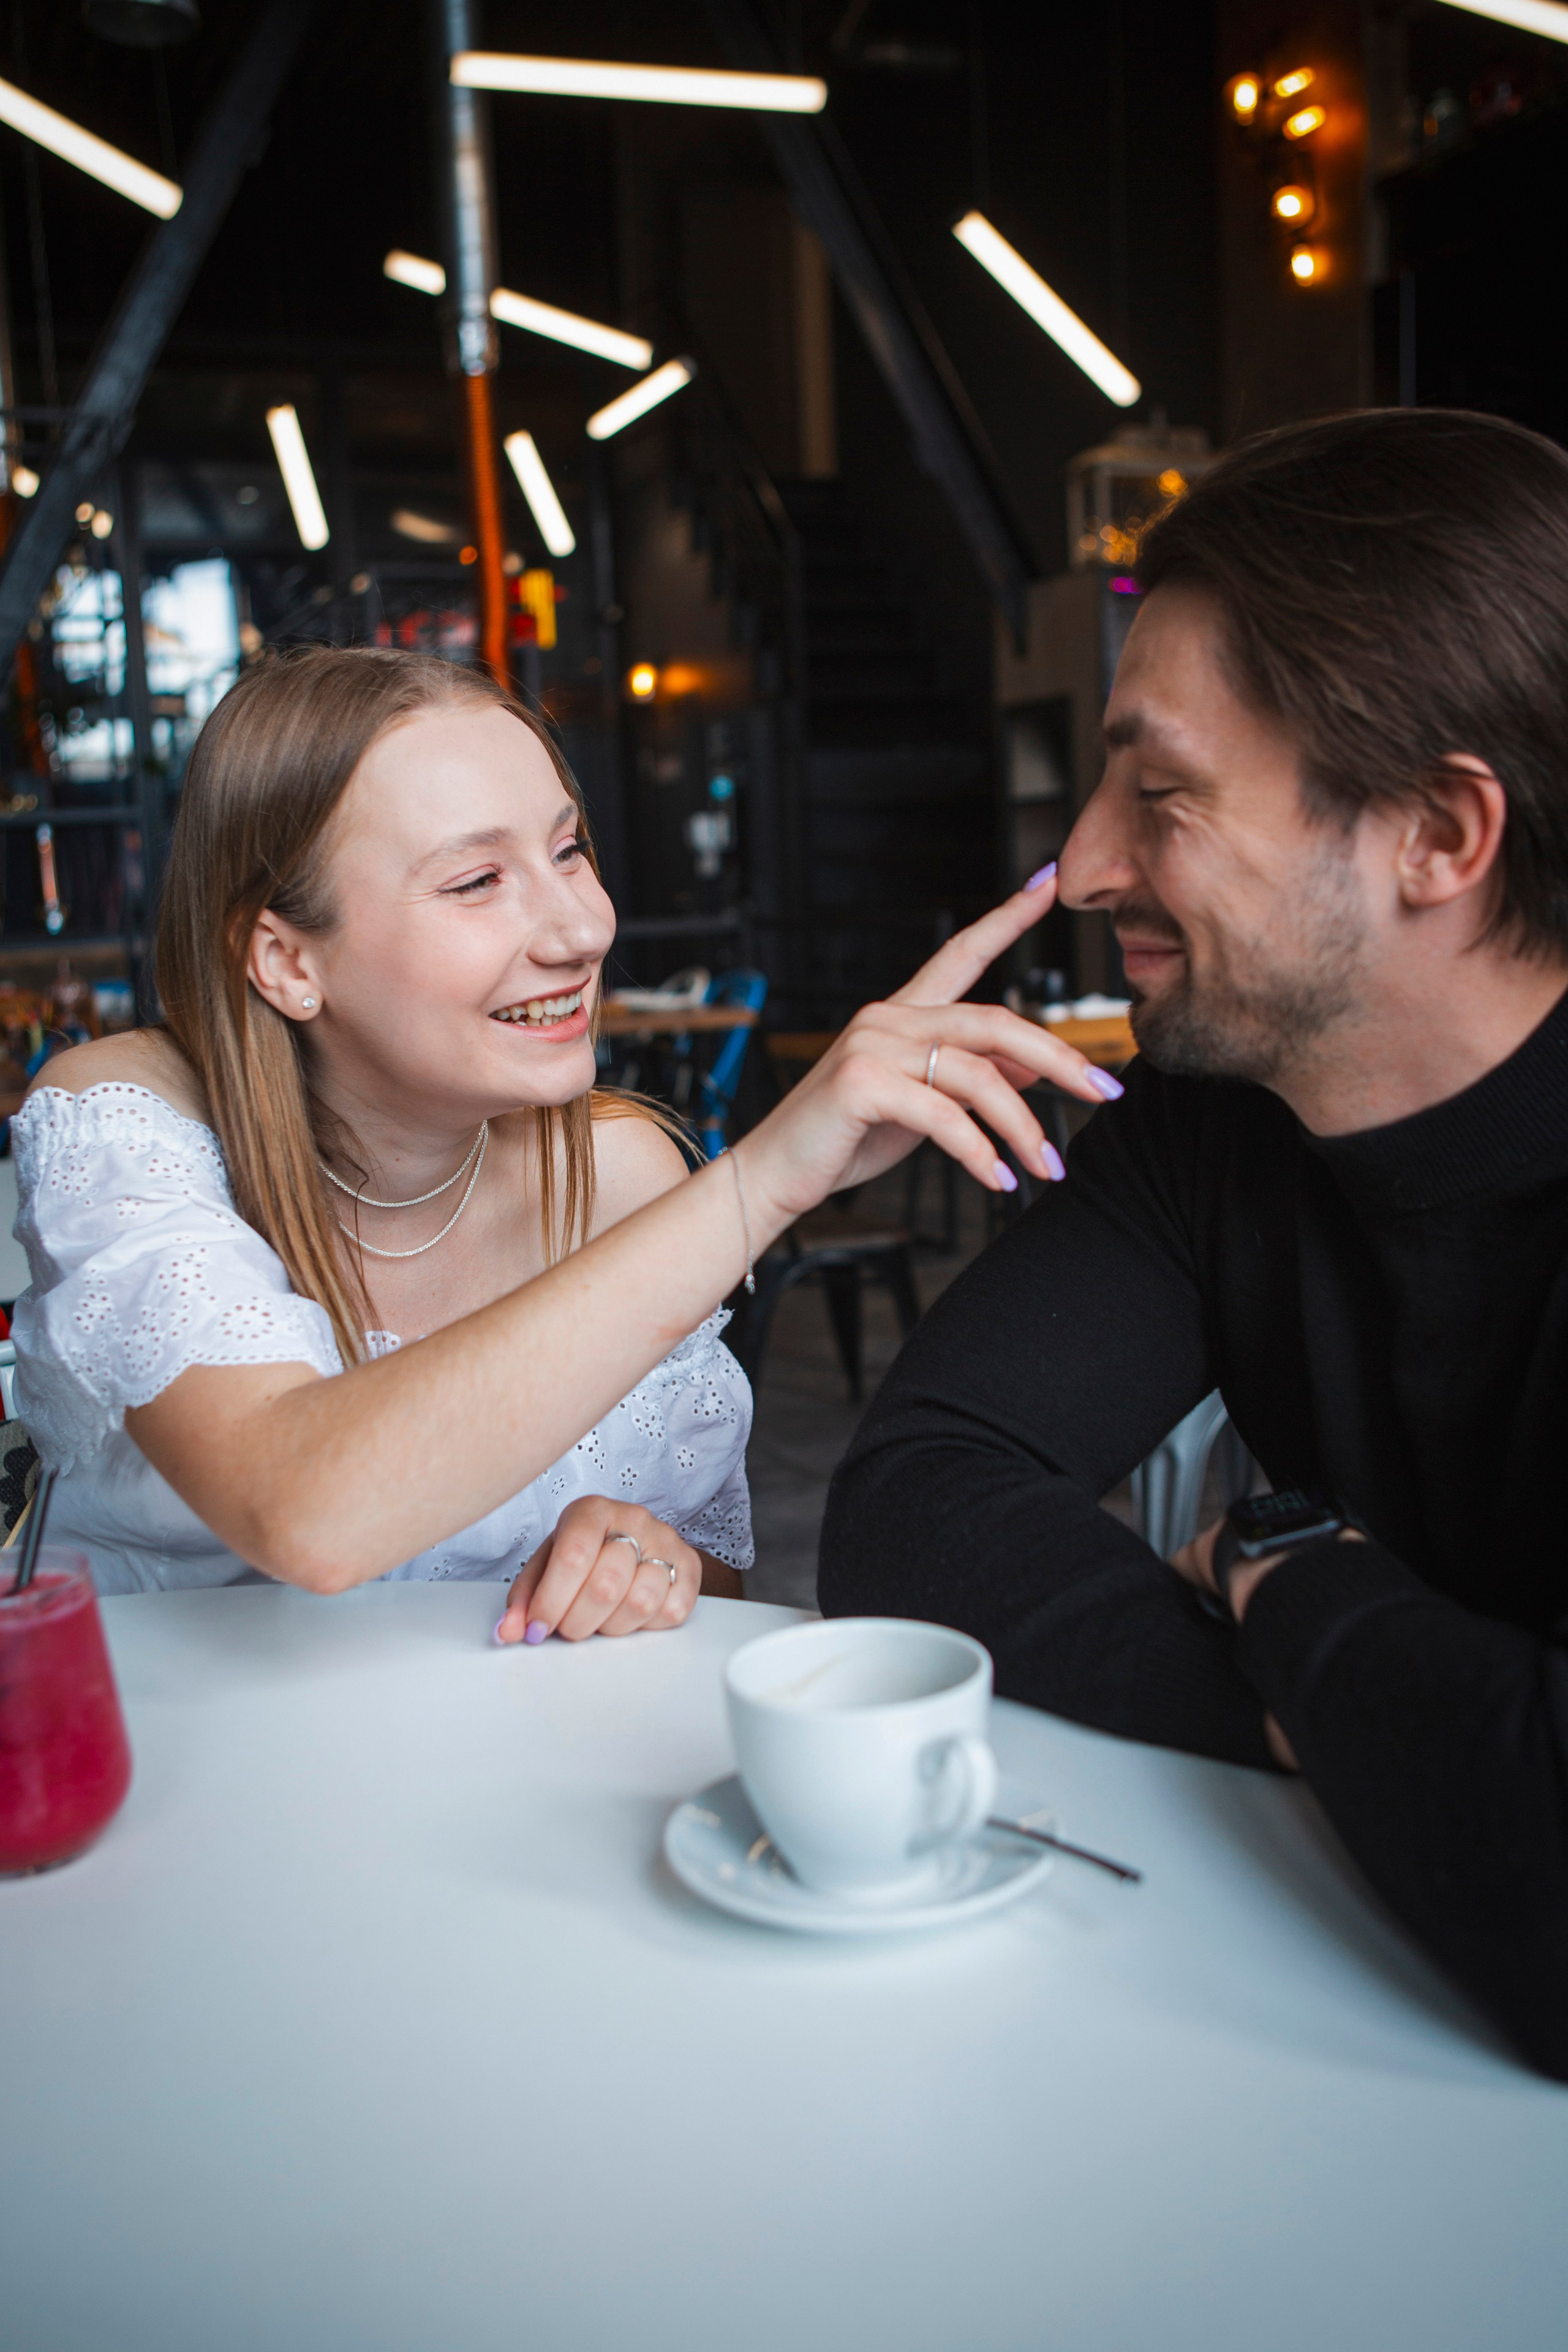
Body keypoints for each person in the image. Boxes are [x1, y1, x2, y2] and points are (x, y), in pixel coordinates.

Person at [820, 408, 1568, 2079]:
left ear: (1441, 838)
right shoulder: (1211, 1119)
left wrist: (1270, 1558)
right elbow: (909, 1515)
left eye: (1160, 794)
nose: (1083, 866)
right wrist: (1413, 1735)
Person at [10, 646, 1112, 1640]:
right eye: (478, 880)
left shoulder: (621, 1174)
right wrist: (764, 1177)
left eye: (569, 850)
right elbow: (304, 1512)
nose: (585, 930)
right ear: (289, 962)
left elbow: (714, 1584)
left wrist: (637, 1562)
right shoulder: (128, 1123)